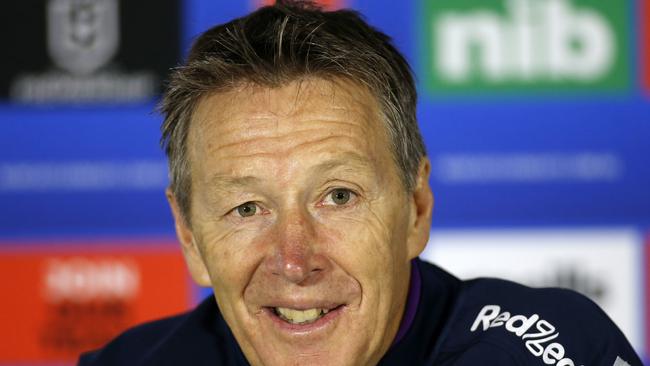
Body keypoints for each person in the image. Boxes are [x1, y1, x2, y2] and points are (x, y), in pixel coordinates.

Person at [78, 1, 642, 365]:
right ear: (189, 237)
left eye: (338, 196)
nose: (295, 261)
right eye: (247, 208)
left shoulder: (545, 350)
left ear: (415, 209)